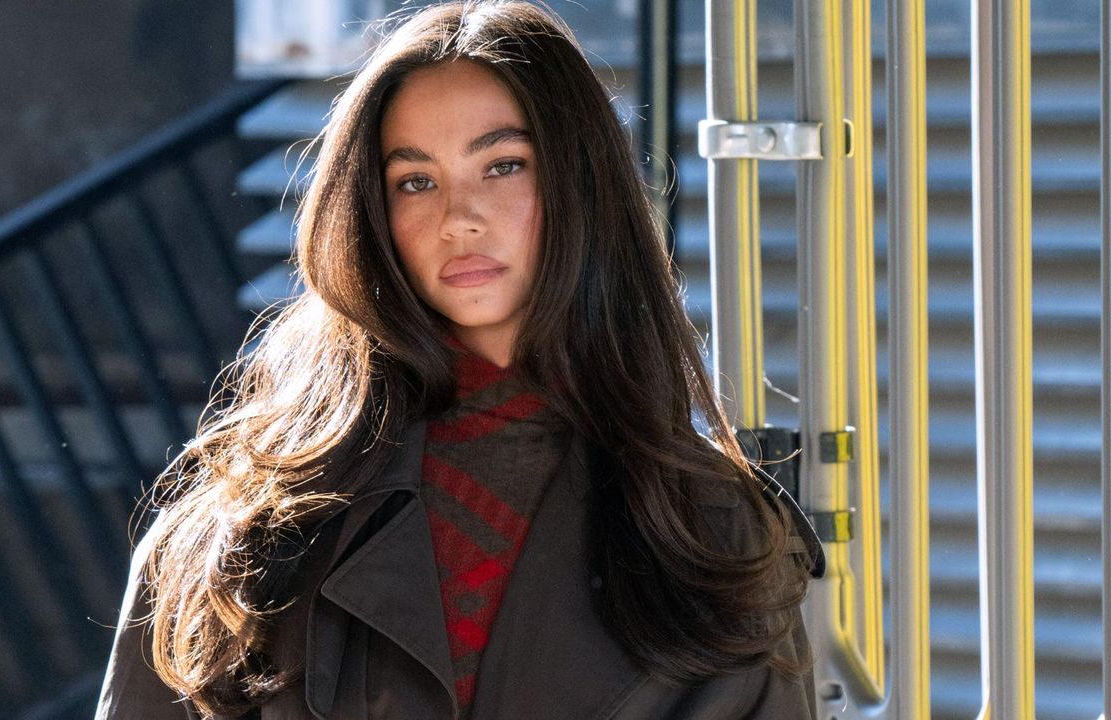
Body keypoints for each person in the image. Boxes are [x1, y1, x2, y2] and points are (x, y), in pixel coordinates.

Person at [94, 2, 824, 718]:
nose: (458, 218)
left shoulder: (713, 531)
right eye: (415, 181)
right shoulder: (245, 527)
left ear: (581, 184)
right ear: (374, 218)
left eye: (503, 165)